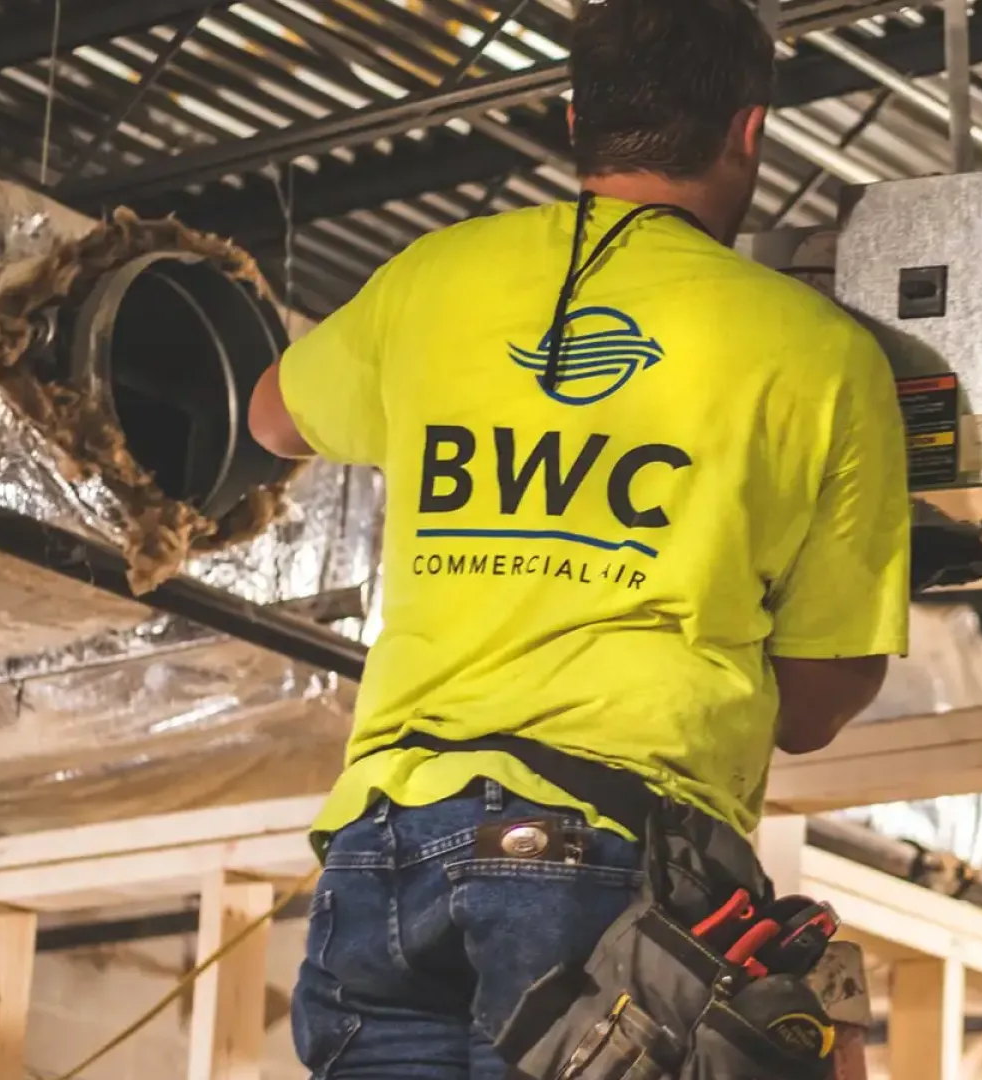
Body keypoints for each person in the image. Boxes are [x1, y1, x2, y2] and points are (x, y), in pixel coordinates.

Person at [247, 1, 912, 1075]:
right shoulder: (821, 359)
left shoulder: (436, 278)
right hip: (612, 866)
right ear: (749, 131)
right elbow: (819, 704)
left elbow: (272, 416)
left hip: (387, 846)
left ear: (573, 121)